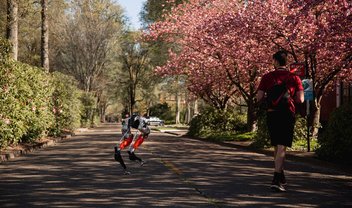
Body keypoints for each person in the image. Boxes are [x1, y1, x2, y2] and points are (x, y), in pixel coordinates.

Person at [257, 51, 304, 192]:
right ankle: (276, 179)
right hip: (287, 114)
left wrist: (270, 99)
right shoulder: (294, 77)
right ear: (286, 62)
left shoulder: (267, 77)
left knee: (277, 145)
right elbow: (300, 99)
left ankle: (280, 173)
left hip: (272, 114)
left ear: (275, 62)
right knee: (282, 145)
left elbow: (258, 98)